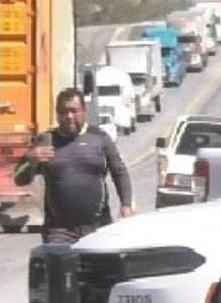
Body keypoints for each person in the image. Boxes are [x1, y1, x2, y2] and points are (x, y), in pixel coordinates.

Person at [14, 88, 134, 244]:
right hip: (59, 230)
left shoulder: (99, 138)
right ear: (57, 114)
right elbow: (19, 179)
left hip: (97, 227)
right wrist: (31, 159)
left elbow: (119, 173)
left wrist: (126, 205)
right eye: (64, 112)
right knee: (58, 259)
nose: (69, 116)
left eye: (74, 111)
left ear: (84, 111)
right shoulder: (47, 140)